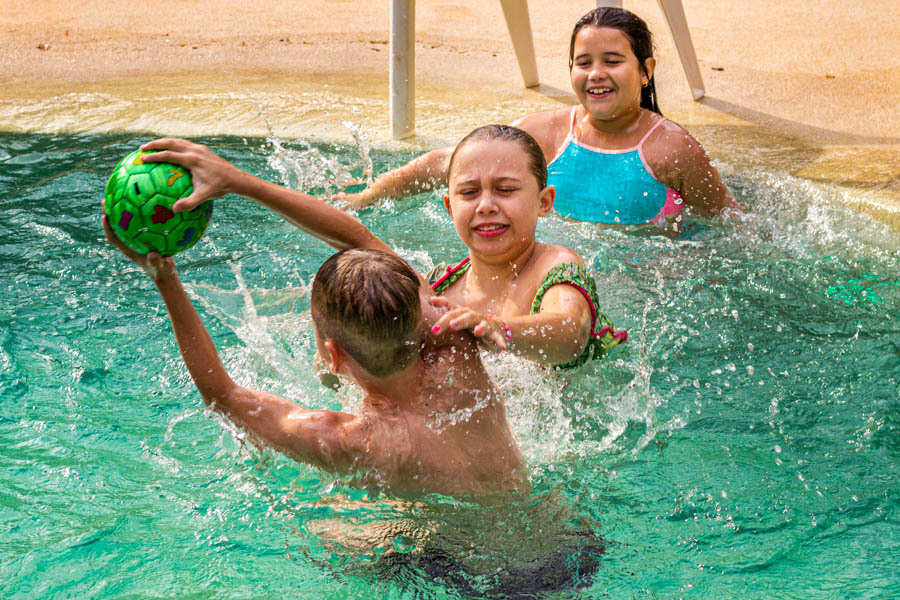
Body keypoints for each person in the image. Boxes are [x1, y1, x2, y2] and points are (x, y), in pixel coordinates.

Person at [102, 210, 528, 500]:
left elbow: (222, 395)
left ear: (333, 354)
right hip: (553, 543)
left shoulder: (354, 441)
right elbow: (363, 239)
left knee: (332, 530)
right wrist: (238, 184)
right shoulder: (457, 340)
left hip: (459, 574)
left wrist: (164, 277)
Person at [138, 129, 627, 370]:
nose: (486, 206)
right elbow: (355, 237)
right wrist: (239, 182)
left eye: (506, 190)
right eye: (469, 193)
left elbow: (571, 331)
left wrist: (499, 328)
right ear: (448, 205)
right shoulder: (440, 289)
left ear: (544, 202)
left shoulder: (556, 266)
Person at [336, 6, 741, 230]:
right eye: (584, 62)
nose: (596, 74)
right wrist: (367, 197)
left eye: (612, 61)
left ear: (645, 70)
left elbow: (727, 222)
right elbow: (449, 163)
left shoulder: (672, 149)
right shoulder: (544, 134)